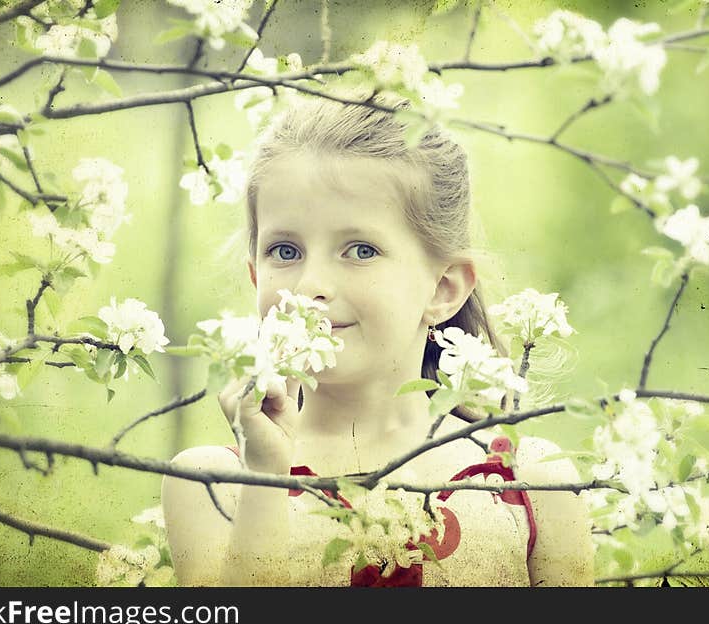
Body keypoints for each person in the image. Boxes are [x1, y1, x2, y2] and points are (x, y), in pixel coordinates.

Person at [161, 96, 594, 587]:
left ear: (443, 288)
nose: (308, 286)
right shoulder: (212, 482)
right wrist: (263, 475)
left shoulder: (533, 482)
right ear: (255, 275)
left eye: (360, 250)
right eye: (285, 250)